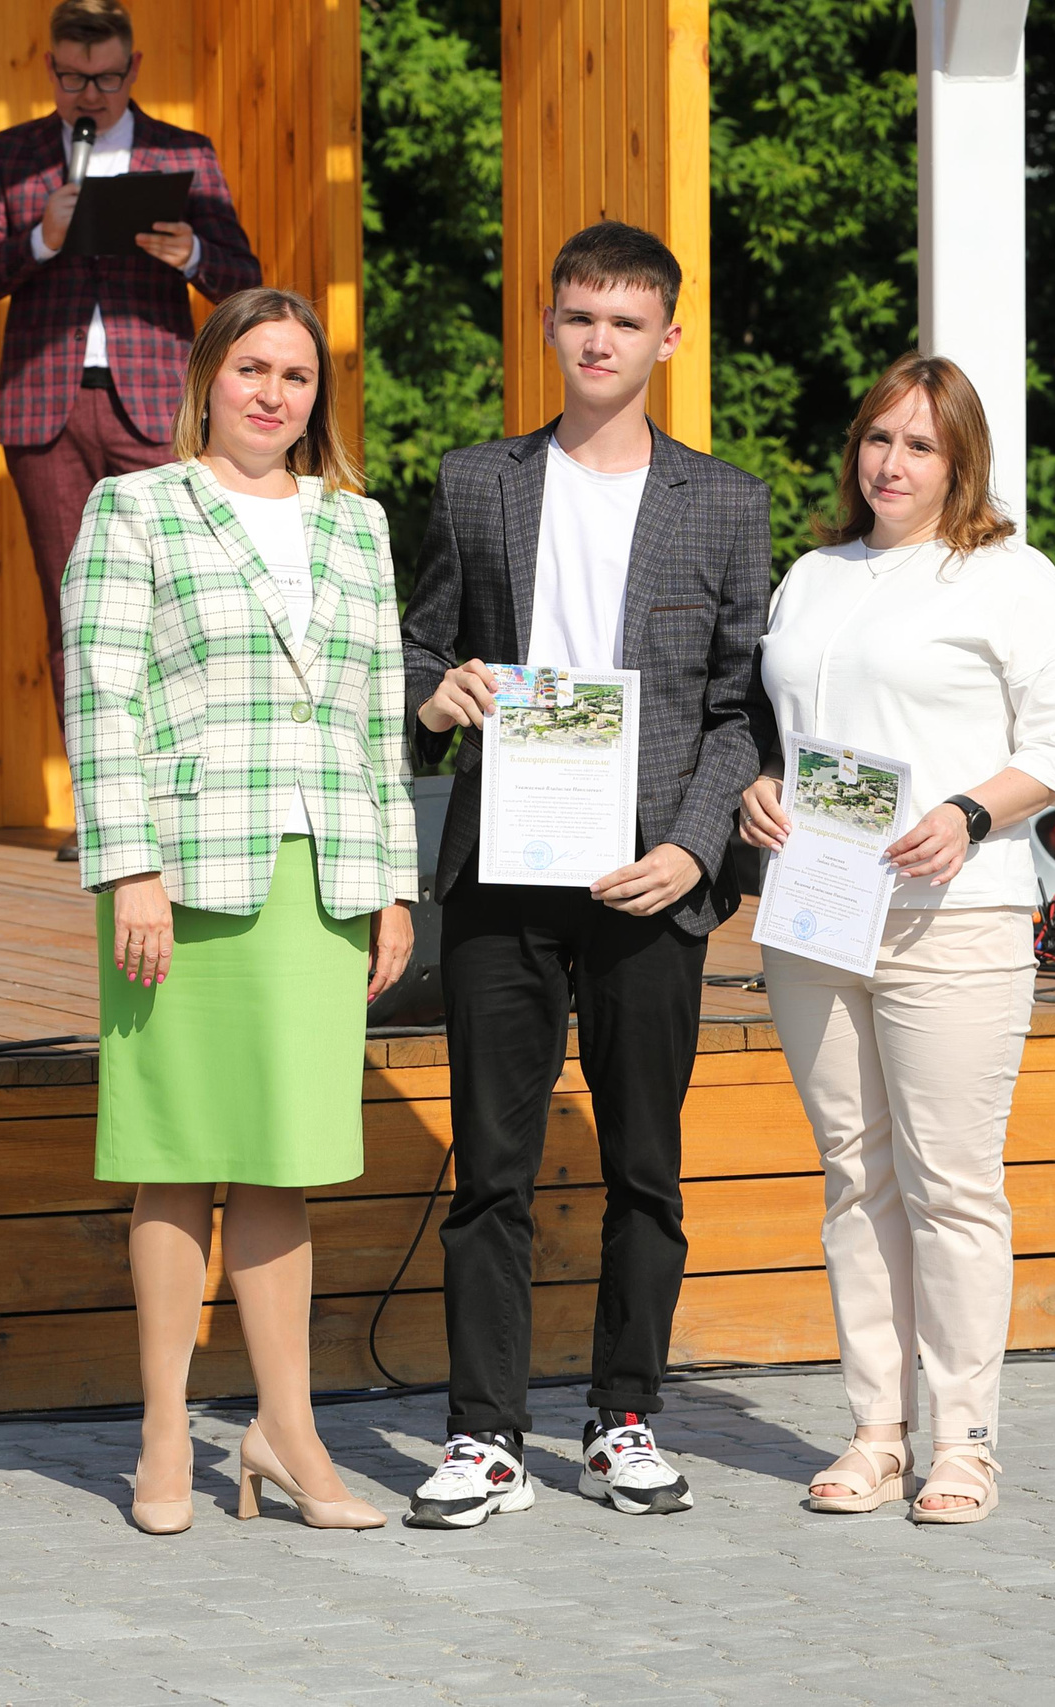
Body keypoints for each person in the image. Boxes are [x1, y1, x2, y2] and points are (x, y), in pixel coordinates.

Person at [400, 221, 772, 1527]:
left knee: (644, 1165)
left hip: (650, 874)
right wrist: (434, 698)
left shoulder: (724, 501)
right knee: (493, 1165)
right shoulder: (474, 481)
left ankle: (623, 1415)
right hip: (505, 872)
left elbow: (735, 710)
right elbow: (417, 648)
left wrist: (690, 846)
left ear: (668, 337)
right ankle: (484, 1433)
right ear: (550, 329)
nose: (600, 339)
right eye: (580, 318)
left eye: (626, 320)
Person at [62, 286, 417, 1535]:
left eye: (298, 376)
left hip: (321, 882)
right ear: (208, 377)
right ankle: (165, 1435)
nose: (274, 393)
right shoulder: (136, 507)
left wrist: (391, 886)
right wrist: (128, 871)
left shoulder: (356, 527)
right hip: (183, 877)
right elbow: (100, 700)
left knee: (284, 1166)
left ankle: (286, 1433)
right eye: (252, 368)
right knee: (172, 1161)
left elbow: (379, 716)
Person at [740, 353, 1055, 1524]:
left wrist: (965, 812)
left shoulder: (1007, 577)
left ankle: (967, 1441)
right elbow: (784, 731)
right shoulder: (810, 575)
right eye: (876, 440)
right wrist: (758, 787)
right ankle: (876, 1431)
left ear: (960, 462)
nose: (891, 464)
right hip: (817, 914)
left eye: (919, 446)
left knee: (951, 1185)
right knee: (855, 1177)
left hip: (955, 916)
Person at [0, 0, 263, 859]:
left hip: (153, 401)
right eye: (73, 76)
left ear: (134, 68)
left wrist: (190, 257)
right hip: (45, 406)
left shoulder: (181, 153)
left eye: (108, 76)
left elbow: (245, 274)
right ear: (50, 68)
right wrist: (38, 243)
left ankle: (176, 797)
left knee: (177, 605)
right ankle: (100, 812)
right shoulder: (11, 155)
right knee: (75, 611)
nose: (90, 92)